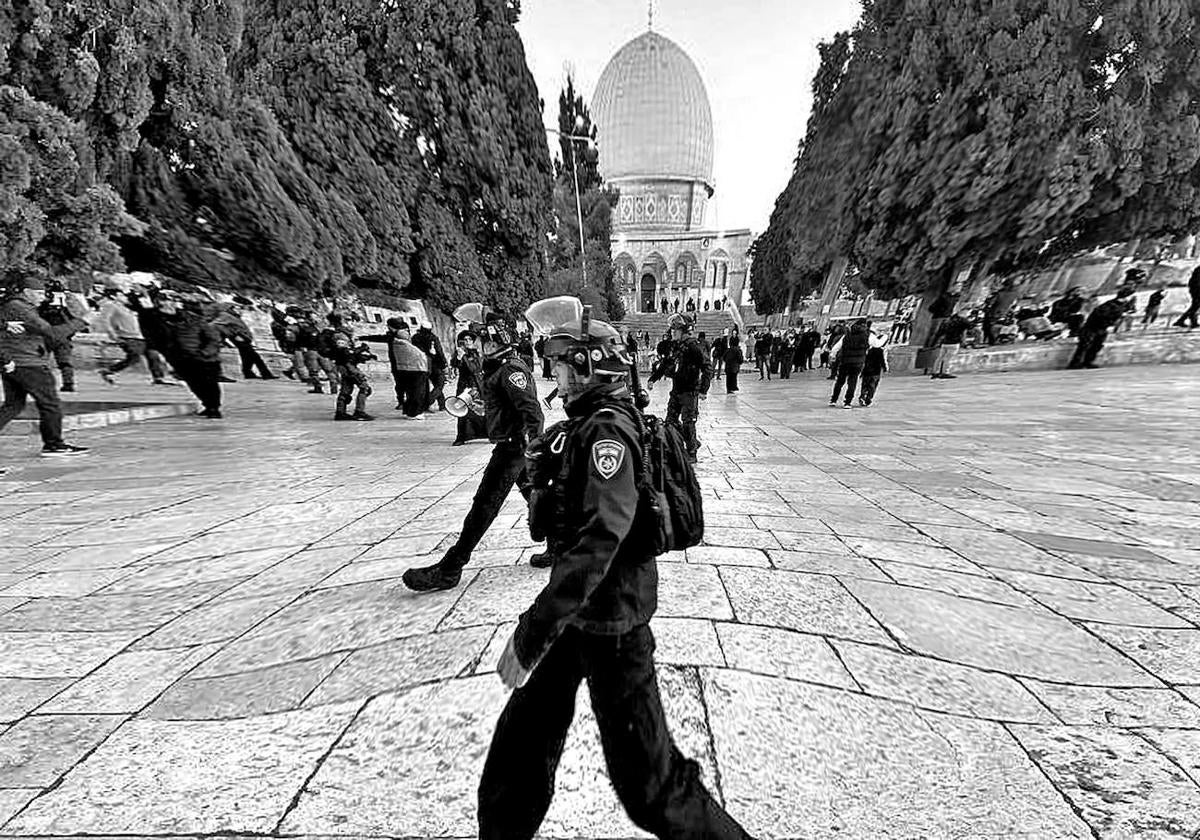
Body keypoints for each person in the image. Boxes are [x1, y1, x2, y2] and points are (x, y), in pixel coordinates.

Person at [478, 295, 753, 840]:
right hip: (575, 619)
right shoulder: (582, 426)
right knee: (518, 755)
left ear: (585, 364)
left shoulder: (608, 434)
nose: (550, 370)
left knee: (651, 790)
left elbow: (602, 539)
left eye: (558, 360)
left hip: (612, 627)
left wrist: (532, 632)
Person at [403, 309, 546, 592]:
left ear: (493, 341)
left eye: (480, 339)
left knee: (484, 504)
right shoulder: (496, 366)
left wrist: (534, 451)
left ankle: (451, 567)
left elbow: (534, 414)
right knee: (534, 495)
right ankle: (560, 542)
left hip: (513, 449)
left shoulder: (511, 370)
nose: (476, 344)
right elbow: (508, 409)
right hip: (511, 445)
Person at [0, 270, 90, 457]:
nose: (43, 297)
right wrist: (81, 321)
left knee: (13, 405)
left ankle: (53, 443)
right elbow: (52, 333)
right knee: (50, 403)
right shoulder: (19, 307)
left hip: (16, 361)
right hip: (28, 363)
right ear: (27, 292)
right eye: (39, 293)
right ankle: (54, 444)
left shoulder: (17, 306)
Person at [648, 313, 711, 463]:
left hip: (690, 392)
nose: (672, 332)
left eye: (675, 330)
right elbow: (665, 364)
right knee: (670, 422)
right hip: (676, 390)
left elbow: (707, 367)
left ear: (683, 330)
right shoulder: (675, 346)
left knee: (688, 422)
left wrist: (703, 390)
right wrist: (653, 379)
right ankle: (688, 443)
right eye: (671, 329)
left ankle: (691, 452)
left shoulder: (693, 347)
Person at [162, 294, 224, 418]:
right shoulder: (161, 322)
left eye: (170, 302)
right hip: (182, 359)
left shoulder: (196, 320)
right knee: (194, 384)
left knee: (209, 383)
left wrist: (204, 353)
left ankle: (214, 407)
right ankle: (208, 405)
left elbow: (213, 339)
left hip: (205, 359)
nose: (167, 306)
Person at [95, 277, 161, 385]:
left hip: (141, 335)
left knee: (153, 355)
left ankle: (159, 378)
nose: (124, 296)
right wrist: (112, 334)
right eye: (121, 295)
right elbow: (104, 320)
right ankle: (109, 371)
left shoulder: (130, 305)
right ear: (114, 296)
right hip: (127, 336)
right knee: (135, 356)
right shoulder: (111, 306)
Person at [1068, 287, 1137, 370]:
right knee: (1084, 346)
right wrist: (1116, 317)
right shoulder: (1109, 305)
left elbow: (1130, 310)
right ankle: (1076, 363)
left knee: (1096, 346)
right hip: (1092, 328)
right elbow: (1101, 315)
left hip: (1102, 329)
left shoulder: (1123, 305)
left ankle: (1088, 362)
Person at [327, 313, 374, 422]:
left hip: (345, 366)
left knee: (346, 388)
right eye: (348, 320)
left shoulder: (344, 335)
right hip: (347, 367)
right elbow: (344, 353)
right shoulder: (340, 336)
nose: (351, 323)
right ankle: (359, 412)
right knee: (365, 388)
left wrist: (363, 356)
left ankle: (341, 412)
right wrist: (360, 350)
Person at [212, 304, 275, 380]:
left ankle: (248, 372)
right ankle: (266, 374)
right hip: (239, 338)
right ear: (230, 308)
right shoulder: (226, 316)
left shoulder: (233, 316)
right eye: (237, 308)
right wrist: (233, 335)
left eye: (240, 308)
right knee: (255, 357)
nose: (239, 310)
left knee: (246, 356)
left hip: (242, 338)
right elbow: (220, 326)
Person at [37, 280, 77, 392]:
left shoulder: (43, 305)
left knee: (40, 361)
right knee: (64, 362)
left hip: (47, 335)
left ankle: (42, 384)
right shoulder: (66, 304)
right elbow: (75, 318)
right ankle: (68, 384)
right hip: (63, 336)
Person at [451, 329, 487, 445]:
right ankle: (461, 437)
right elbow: (455, 365)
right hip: (465, 386)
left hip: (478, 385)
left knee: (481, 410)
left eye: (469, 339)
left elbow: (476, 368)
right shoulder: (459, 353)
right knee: (463, 411)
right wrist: (459, 358)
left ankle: (486, 434)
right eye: (465, 339)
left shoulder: (476, 353)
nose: (467, 341)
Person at [829, 320, 870, 408]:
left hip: (845, 361)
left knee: (840, 381)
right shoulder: (867, 336)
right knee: (852, 382)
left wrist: (832, 356)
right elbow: (877, 344)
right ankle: (847, 402)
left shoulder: (847, 336)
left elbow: (836, 347)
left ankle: (833, 400)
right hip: (858, 362)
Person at [413, 320, 448, 412]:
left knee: (434, 385)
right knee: (440, 384)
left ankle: (442, 404)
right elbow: (439, 352)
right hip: (434, 364)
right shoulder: (433, 338)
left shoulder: (415, 338)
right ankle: (427, 402)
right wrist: (444, 365)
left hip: (420, 365)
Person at [930, 310, 973, 379]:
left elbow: (939, 333)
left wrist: (935, 343)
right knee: (948, 358)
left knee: (940, 357)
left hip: (944, 342)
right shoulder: (962, 321)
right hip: (954, 342)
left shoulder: (947, 321)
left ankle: (935, 372)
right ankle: (945, 372)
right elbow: (970, 327)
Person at [859, 333, 889, 406]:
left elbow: (865, 360)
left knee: (865, 384)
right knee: (872, 385)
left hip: (866, 370)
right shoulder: (880, 351)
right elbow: (882, 360)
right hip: (875, 371)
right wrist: (885, 368)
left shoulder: (870, 349)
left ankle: (863, 395)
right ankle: (868, 399)